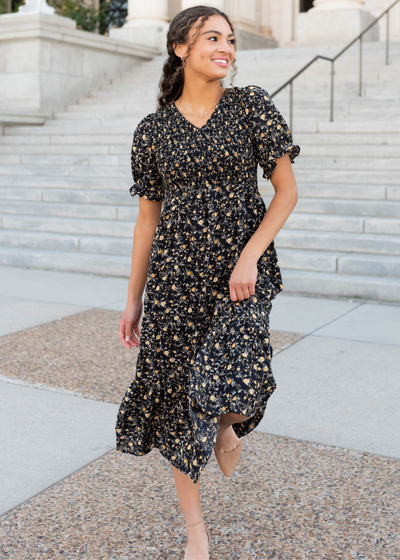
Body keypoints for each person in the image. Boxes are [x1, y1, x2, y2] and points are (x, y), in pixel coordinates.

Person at [116, 5, 300, 559]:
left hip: (241, 274)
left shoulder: (250, 107)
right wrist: (133, 300)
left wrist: (249, 257)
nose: (226, 47)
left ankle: (227, 424)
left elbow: (286, 193)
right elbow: (148, 220)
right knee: (178, 402)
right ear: (181, 49)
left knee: (240, 388)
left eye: (230, 39)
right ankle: (196, 532)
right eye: (212, 38)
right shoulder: (151, 131)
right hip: (175, 279)